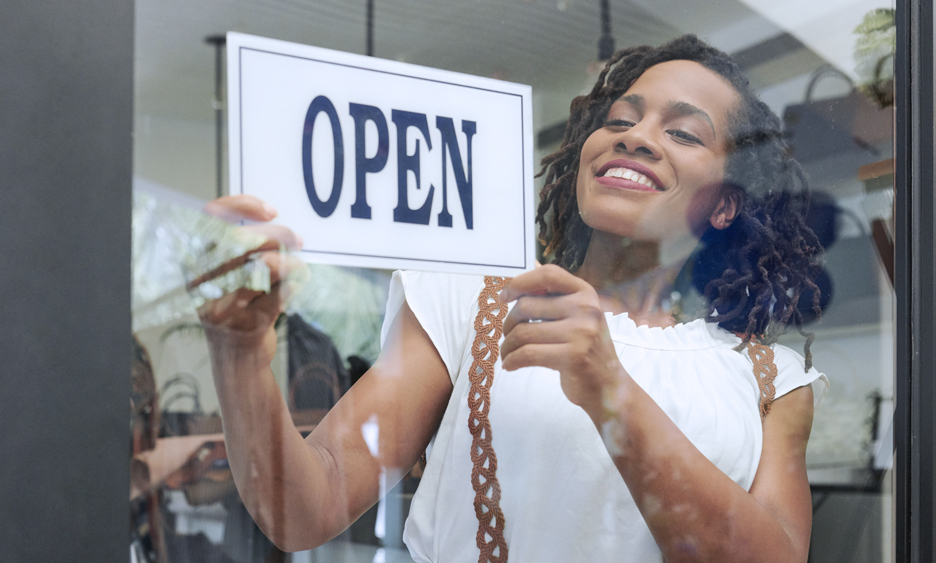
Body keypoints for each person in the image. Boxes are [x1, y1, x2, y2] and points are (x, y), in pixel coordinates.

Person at [198, 35, 828, 562]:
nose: (636, 137)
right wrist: (241, 354)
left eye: (684, 133)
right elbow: (308, 509)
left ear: (724, 205)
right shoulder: (469, 295)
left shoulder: (770, 381)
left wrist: (612, 393)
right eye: (620, 118)